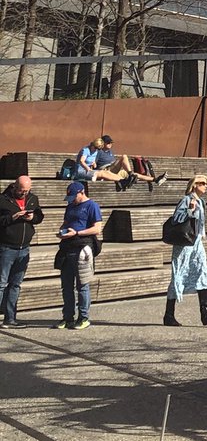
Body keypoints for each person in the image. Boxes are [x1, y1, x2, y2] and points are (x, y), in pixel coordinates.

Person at [164, 174, 207, 327]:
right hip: (184, 244)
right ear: (194, 185)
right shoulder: (187, 200)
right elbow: (176, 219)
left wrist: (202, 235)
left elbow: (200, 223)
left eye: (206, 184)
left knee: (202, 273)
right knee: (178, 275)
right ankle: (169, 315)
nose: (205, 186)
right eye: (202, 183)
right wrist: (189, 210)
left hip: (196, 243)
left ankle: (205, 312)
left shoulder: (202, 201)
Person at [56, 181, 103, 330]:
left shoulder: (92, 206)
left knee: (82, 285)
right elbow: (65, 223)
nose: (72, 201)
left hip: (82, 247)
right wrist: (62, 231)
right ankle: (67, 317)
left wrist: (77, 233)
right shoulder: (70, 206)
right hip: (67, 247)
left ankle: (83, 317)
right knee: (67, 286)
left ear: (81, 192)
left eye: (73, 197)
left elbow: (97, 229)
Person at [0, 175, 44, 326]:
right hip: (6, 247)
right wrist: (13, 217)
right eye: (21, 191)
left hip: (24, 248)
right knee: (1, 283)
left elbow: (40, 216)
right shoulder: (3, 200)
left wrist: (32, 218)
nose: (24, 193)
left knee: (15, 284)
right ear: (15, 187)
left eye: (26, 191)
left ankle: (10, 318)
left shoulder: (32, 198)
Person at [75, 135, 165, 191]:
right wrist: (91, 166)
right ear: (103, 144)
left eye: (111, 143)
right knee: (124, 157)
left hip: (114, 169)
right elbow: (91, 162)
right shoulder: (98, 151)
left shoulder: (110, 152)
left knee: (134, 173)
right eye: (108, 143)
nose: (110, 144)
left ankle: (155, 179)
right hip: (106, 170)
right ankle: (126, 179)